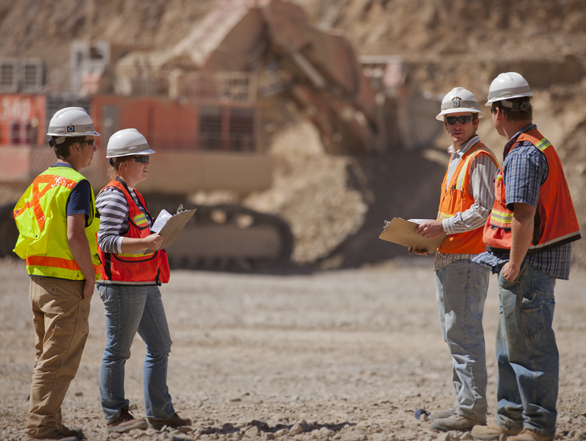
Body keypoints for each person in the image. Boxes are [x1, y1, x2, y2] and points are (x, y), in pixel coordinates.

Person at [471, 73, 581, 441]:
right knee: (509, 345)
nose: (491, 117)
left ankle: (535, 427)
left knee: (529, 349)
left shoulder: (523, 154)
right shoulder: (533, 145)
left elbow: (523, 214)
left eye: (492, 110)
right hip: (523, 263)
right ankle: (510, 420)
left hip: (527, 265)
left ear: (500, 111)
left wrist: (514, 264)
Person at [409, 88, 498, 432]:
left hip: (468, 260)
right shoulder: (457, 157)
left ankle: (472, 410)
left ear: (477, 121)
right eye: (451, 119)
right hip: (450, 258)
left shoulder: (479, 158)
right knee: (455, 336)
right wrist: (427, 240)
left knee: (464, 336)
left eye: (463, 119)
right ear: (445, 123)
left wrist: (441, 227)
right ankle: (465, 404)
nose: (457, 124)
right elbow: (454, 213)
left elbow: (482, 210)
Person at [13, 107, 101, 441]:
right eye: (91, 141)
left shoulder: (42, 181)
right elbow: (74, 235)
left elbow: (23, 219)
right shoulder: (78, 184)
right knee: (59, 359)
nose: (95, 147)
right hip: (66, 284)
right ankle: (42, 427)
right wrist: (90, 276)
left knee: (47, 356)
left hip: (38, 281)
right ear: (76, 146)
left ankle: (52, 422)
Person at [95, 128, 191, 433]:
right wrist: (146, 243)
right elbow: (107, 240)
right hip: (122, 285)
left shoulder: (133, 193)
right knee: (118, 351)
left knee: (161, 345)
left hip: (144, 282)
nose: (147, 163)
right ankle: (115, 415)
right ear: (123, 164)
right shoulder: (113, 195)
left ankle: (160, 413)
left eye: (147, 157)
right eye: (141, 158)